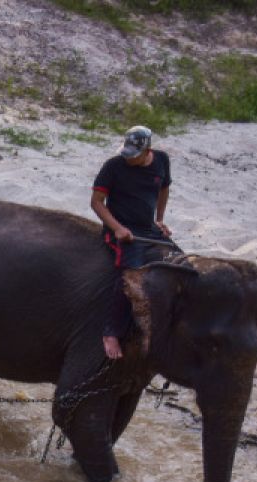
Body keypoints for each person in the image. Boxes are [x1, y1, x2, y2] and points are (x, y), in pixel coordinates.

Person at [90, 125, 177, 359]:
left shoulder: (162, 161)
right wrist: (117, 228)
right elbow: (97, 202)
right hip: (122, 229)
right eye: (127, 153)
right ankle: (111, 331)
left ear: (147, 149)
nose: (128, 158)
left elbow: (164, 189)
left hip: (147, 228)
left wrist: (159, 219)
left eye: (134, 155)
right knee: (132, 273)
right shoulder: (113, 166)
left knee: (178, 260)